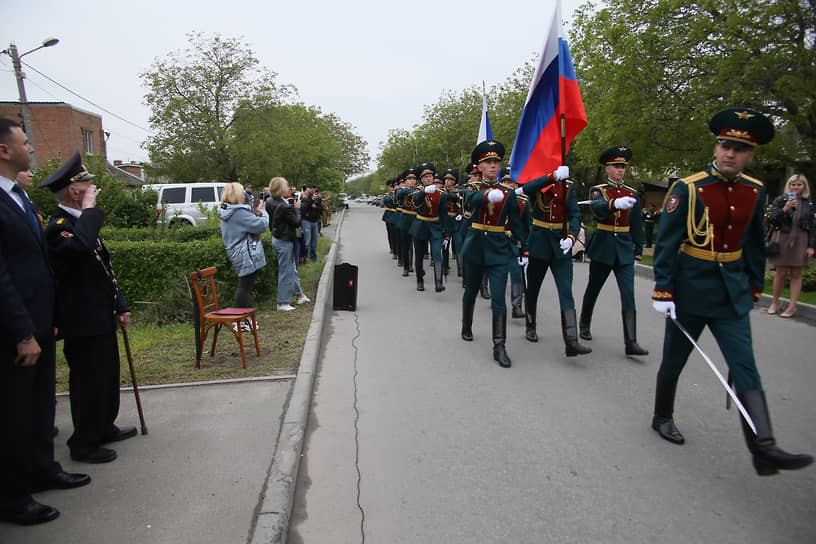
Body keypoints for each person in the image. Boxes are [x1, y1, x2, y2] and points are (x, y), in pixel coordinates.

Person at [650, 107, 812, 476]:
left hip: (731, 294)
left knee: (744, 366)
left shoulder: (754, 191)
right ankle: (662, 416)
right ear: (717, 145)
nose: (729, 153)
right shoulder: (689, 188)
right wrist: (663, 290)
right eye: (725, 145)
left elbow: (755, 244)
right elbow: (666, 243)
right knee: (674, 361)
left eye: (739, 149)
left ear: (750, 154)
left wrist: (755, 286)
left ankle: (764, 446)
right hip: (690, 289)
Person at [0, 120, 89, 526]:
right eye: (23, 142)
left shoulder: (18, 197)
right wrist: (21, 331)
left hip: (39, 323)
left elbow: (36, 266)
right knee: (14, 413)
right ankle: (13, 496)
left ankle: (42, 469)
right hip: (16, 331)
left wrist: (47, 320)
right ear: (4, 150)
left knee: (40, 407)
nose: (30, 149)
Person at [40, 151, 137, 465]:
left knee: (107, 376)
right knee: (87, 382)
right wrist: (91, 211)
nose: (94, 189)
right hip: (81, 319)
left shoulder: (80, 224)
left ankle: (103, 427)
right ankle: (83, 443)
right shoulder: (60, 228)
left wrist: (120, 304)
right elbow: (81, 248)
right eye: (90, 185)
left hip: (101, 314)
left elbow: (103, 269)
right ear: (74, 191)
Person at [460, 140, 527, 368]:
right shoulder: (472, 188)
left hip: (499, 248)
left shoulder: (508, 192)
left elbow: (516, 223)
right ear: (479, 166)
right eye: (488, 162)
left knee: (499, 299)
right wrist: (487, 196)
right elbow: (470, 200)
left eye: (496, 162)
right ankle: (466, 324)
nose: (492, 165)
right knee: (471, 291)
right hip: (477, 246)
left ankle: (499, 346)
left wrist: (524, 248)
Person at [578, 145, 648, 356]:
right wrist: (614, 203)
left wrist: (638, 249)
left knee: (628, 293)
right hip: (604, 246)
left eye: (623, 167)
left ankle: (631, 341)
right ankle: (584, 323)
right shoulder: (599, 191)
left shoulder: (631, 193)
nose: (620, 170)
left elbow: (636, 223)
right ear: (607, 168)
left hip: (624, 247)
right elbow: (599, 209)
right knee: (594, 288)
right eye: (616, 166)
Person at [519, 164, 592, 357]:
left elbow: (575, 214)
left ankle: (571, 340)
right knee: (533, 288)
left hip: (561, 244)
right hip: (539, 243)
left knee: (566, 291)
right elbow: (526, 188)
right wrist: (551, 177)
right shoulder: (538, 182)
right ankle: (531, 324)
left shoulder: (568, 186)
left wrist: (572, 237)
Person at [217, 182, 269, 330]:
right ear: (235, 195)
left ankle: (243, 319)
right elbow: (261, 226)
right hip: (245, 253)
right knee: (245, 286)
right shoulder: (238, 212)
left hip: (236, 252)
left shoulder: (226, 211)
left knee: (245, 285)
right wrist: (263, 212)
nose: (243, 196)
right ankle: (241, 322)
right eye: (241, 193)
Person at [767, 173, 815, 318]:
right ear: (789, 186)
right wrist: (786, 208)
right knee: (780, 273)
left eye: (799, 184)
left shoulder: (808, 203)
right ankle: (774, 303)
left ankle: (792, 306)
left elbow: (812, 227)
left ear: (804, 186)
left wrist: (811, 246)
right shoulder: (781, 200)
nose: (795, 187)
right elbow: (772, 219)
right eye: (793, 184)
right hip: (783, 238)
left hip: (801, 239)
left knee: (796, 274)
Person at [410, 162, 457, 292]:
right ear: (421, 179)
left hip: (435, 227)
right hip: (420, 226)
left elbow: (445, 216)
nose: (429, 178)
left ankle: (438, 282)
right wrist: (424, 191)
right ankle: (420, 279)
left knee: (437, 253)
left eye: (430, 176)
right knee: (419, 255)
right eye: (425, 177)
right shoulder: (417, 191)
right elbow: (416, 199)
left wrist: (447, 235)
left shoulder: (440, 194)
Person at [266, 177, 310, 311]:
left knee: (291, 268)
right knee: (286, 270)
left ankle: (299, 294)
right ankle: (282, 302)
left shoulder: (269, 201)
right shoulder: (284, 205)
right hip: (285, 239)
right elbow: (296, 221)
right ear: (281, 188)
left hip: (277, 236)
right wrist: (297, 209)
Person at [300, 184, 322, 262]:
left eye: (313, 189)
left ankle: (313, 257)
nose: (312, 190)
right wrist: (311, 200)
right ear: (307, 189)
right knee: (307, 241)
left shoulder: (317, 198)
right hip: (306, 220)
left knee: (314, 241)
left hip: (314, 221)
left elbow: (320, 208)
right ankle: (304, 258)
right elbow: (303, 208)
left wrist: (315, 206)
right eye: (310, 189)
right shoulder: (304, 197)